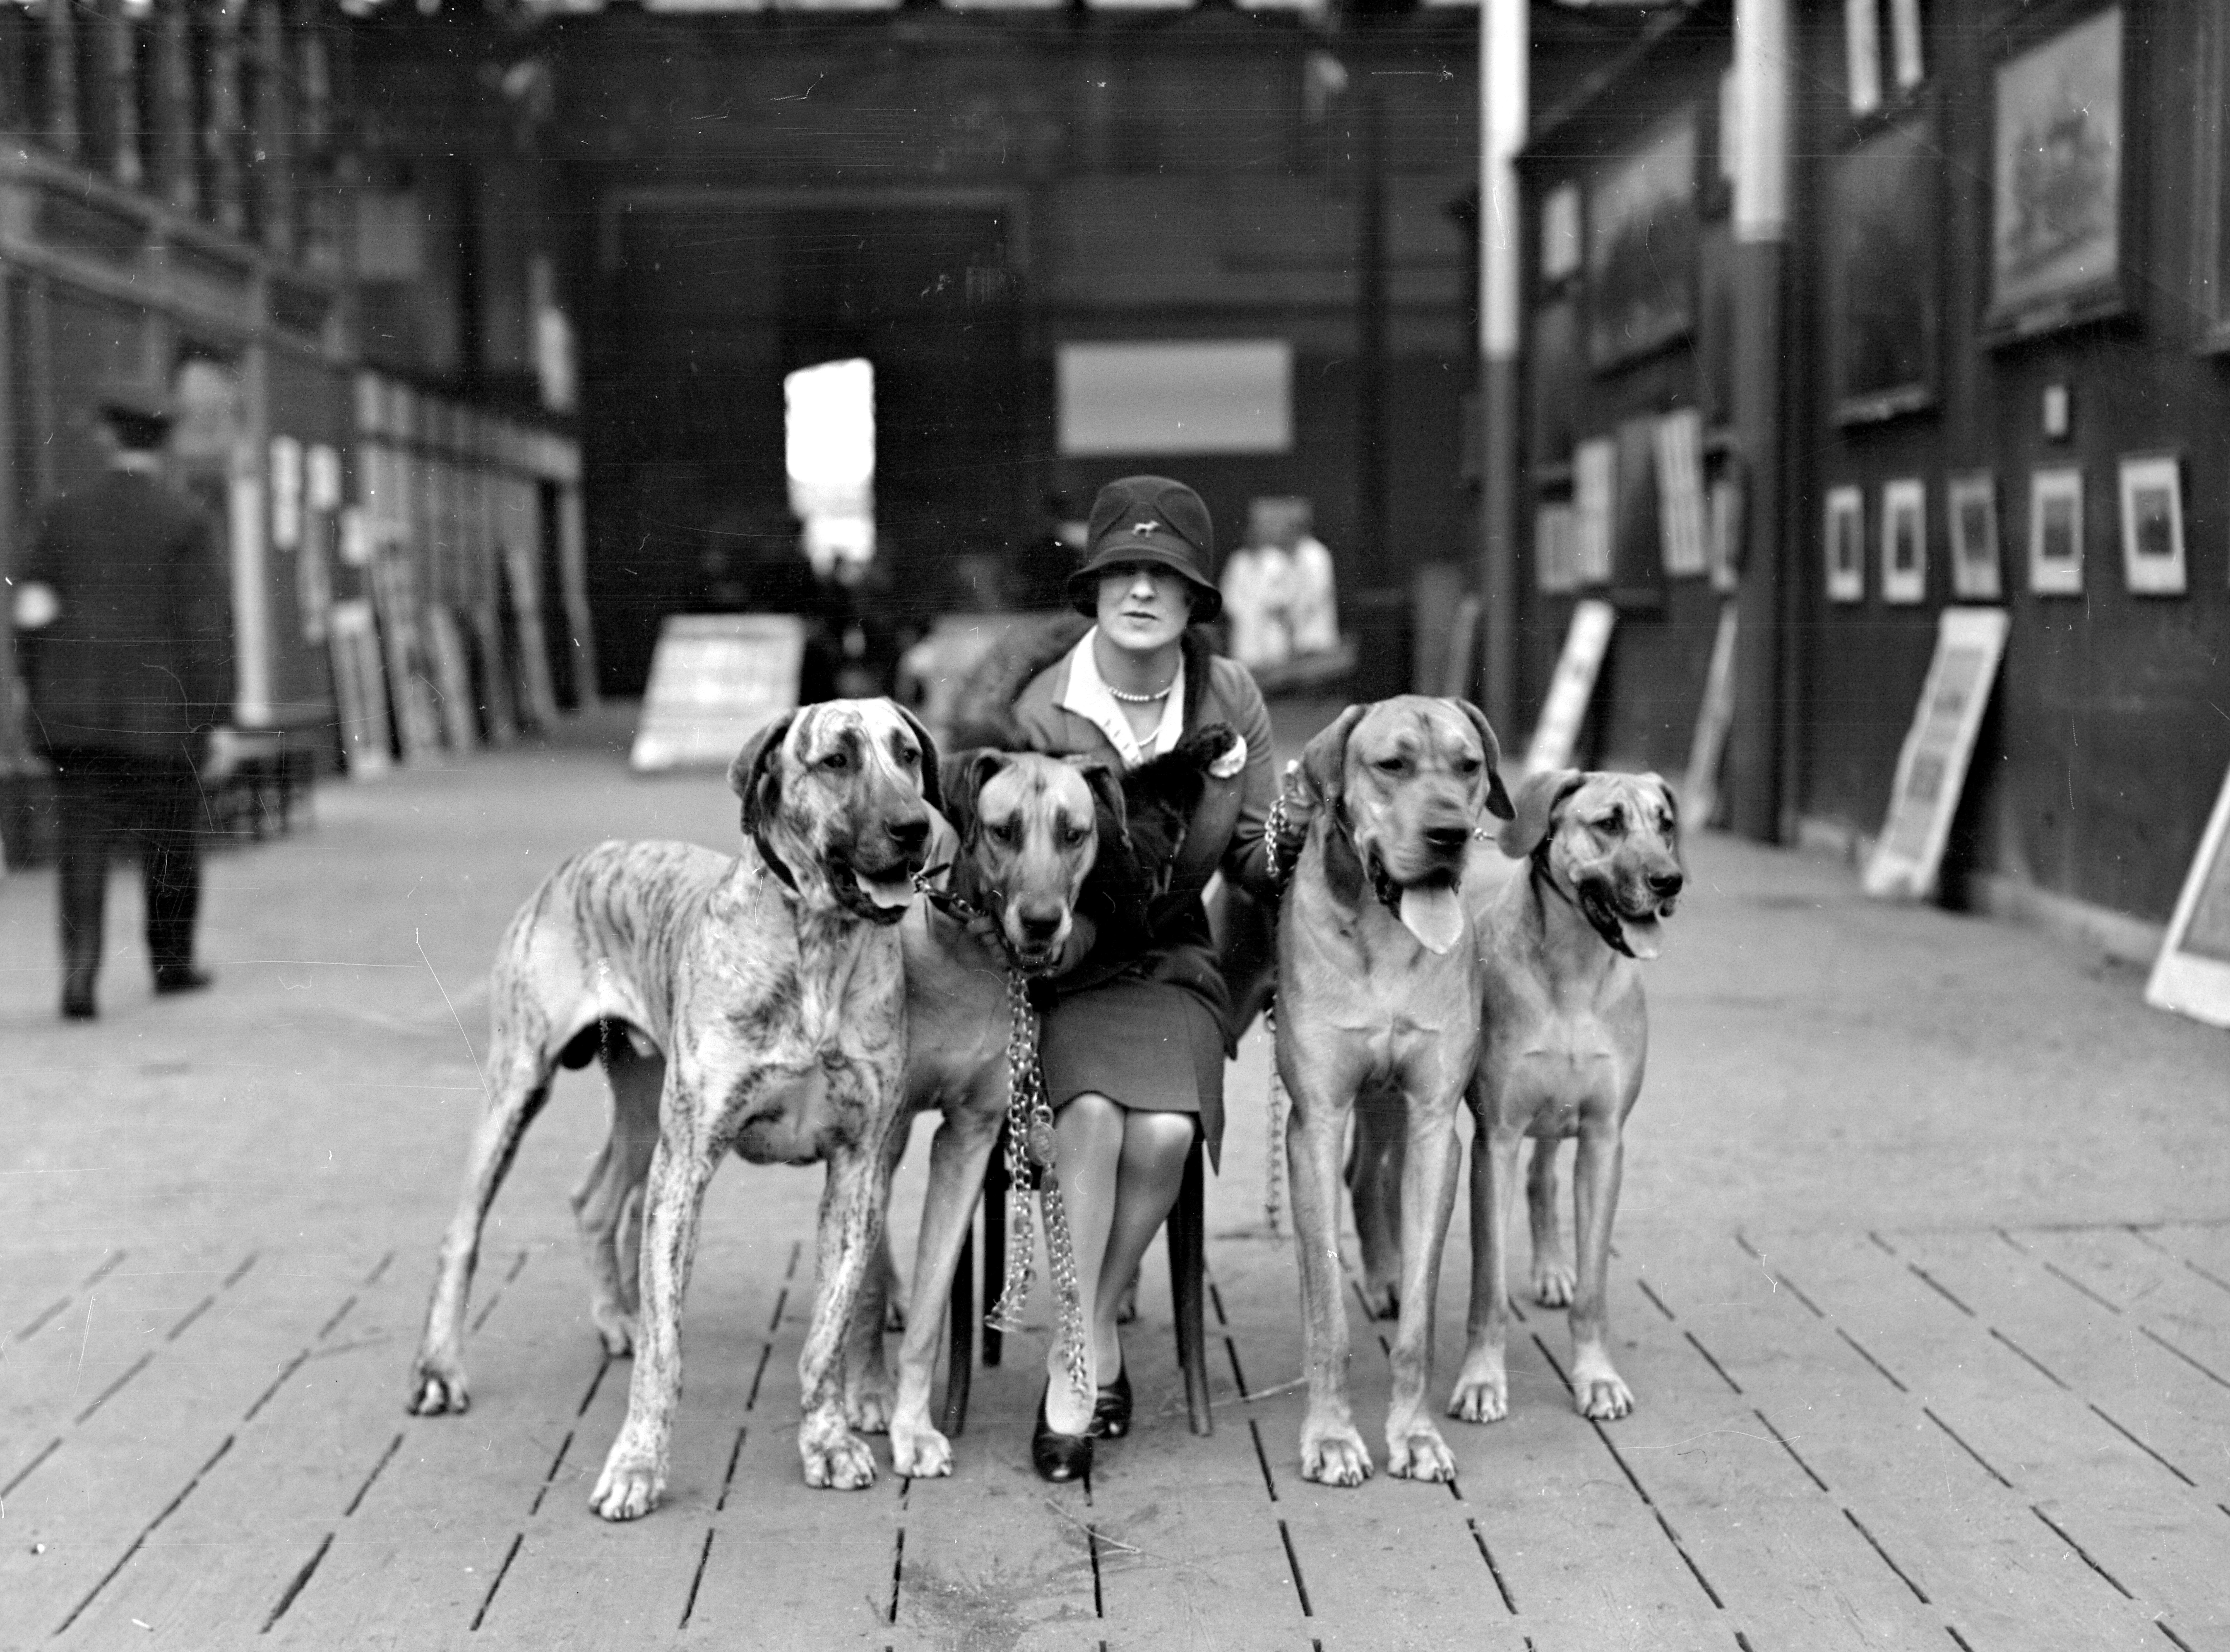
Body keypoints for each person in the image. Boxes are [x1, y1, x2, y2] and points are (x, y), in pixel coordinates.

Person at [1005, 475, 1303, 1480]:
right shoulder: (1040, 709)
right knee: (1091, 1115)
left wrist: (1294, 840)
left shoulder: (1231, 699)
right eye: (1121, 572)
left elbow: (1256, 857)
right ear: (1092, 592)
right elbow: (998, 857)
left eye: (1164, 575)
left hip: (1177, 958)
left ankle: (1081, 1327)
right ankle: (1086, 1359)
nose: (1141, 592)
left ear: (1194, 599)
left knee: (1168, 1127)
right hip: (1064, 962)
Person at [12, 378, 231, 1021]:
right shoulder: (186, 519)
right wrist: (214, 718)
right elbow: (206, 630)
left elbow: (31, 613)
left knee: (81, 846)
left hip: (74, 718)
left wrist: (36, 684)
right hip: (162, 721)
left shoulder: (62, 513)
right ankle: (171, 965)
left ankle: (79, 978)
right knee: (169, 841)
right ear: (164, 445)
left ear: (107, 436)